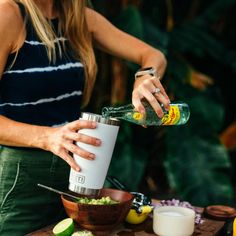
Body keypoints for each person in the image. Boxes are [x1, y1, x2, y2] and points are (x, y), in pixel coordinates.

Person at [0, 0, 170, 235]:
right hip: (21, 178)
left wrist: (145, 77)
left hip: (77, 175)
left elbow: (153, 55)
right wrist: (48, 137)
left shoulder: (79, 18)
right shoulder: (7, 14)